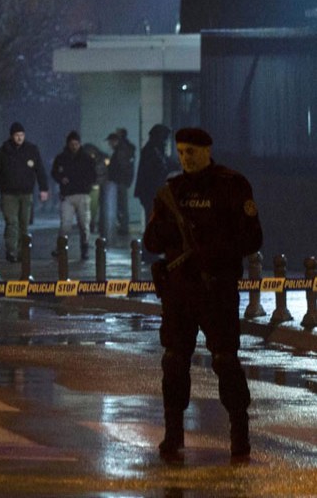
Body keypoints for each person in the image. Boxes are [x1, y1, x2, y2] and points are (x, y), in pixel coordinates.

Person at [143, 127, 262, 461]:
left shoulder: (231, 185)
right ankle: (173, 435)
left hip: (216, 289)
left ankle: (240, 435)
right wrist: (169, 231)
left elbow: (252, 238)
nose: (186, 158)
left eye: (191, 151)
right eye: (181, 151)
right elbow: (151, 242)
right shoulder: (172, 190)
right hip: (180, 292)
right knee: (174, 362)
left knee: (225, 362)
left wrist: (215, 251)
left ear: (207, 150)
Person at [0, 122, 49, 262]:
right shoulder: (2, 152)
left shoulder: (32, 150)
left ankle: (21, 252)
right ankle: (11, 250)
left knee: (24, 224)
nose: (19, 138)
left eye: (22, 135)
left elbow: (40, 170)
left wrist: (44, 188)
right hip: (8, 194)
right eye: (17, 135)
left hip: (26, 193)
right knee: (12, 222)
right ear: (12, 136)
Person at [134, 124, 179, 262]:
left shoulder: (153, 149)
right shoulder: (152, 151)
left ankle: (150, 252)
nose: (165, 141)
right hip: (151, 193)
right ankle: (149, 252)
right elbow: (156, 170)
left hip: (151, 192)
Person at [50, 131, 96, 260]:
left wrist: (86, 185)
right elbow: (54, 172)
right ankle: (61, 248)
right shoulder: (62, 158)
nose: (74, 146)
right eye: (72, 144)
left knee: (84, 224)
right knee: (65, 224)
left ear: (79, 144)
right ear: (68, 144)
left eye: (76, 144)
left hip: (82, 194)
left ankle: (84, 248)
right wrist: (61, 178)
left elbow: (93, 175)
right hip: (68, 195)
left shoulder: (87, 158)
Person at [105, 129, 136, 237]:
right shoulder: (124, 149)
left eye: (110, 142)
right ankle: (123, 226)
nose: (109, 144)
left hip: (120, 182)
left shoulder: (121, 151)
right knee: (122, 205)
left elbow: (122, 167)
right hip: (121, 181)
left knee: (122, 205)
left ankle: (123, 227)